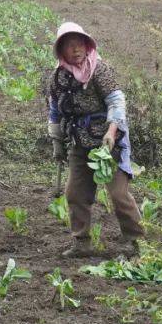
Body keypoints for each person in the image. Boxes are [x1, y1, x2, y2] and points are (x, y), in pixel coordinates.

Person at [46, 22, 144, 257]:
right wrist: (57, 141)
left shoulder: (99, 70)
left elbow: (117, 102)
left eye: (79, 44)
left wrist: (111, 132)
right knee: (75, 194)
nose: (76, 49)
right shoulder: (58, 78)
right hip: (79, 142)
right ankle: (81, 243)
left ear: (86, 45)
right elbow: (54, 111)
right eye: (70, 46)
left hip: (108, 142)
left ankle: (136, 241)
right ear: (62, 51)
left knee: (118, 194)